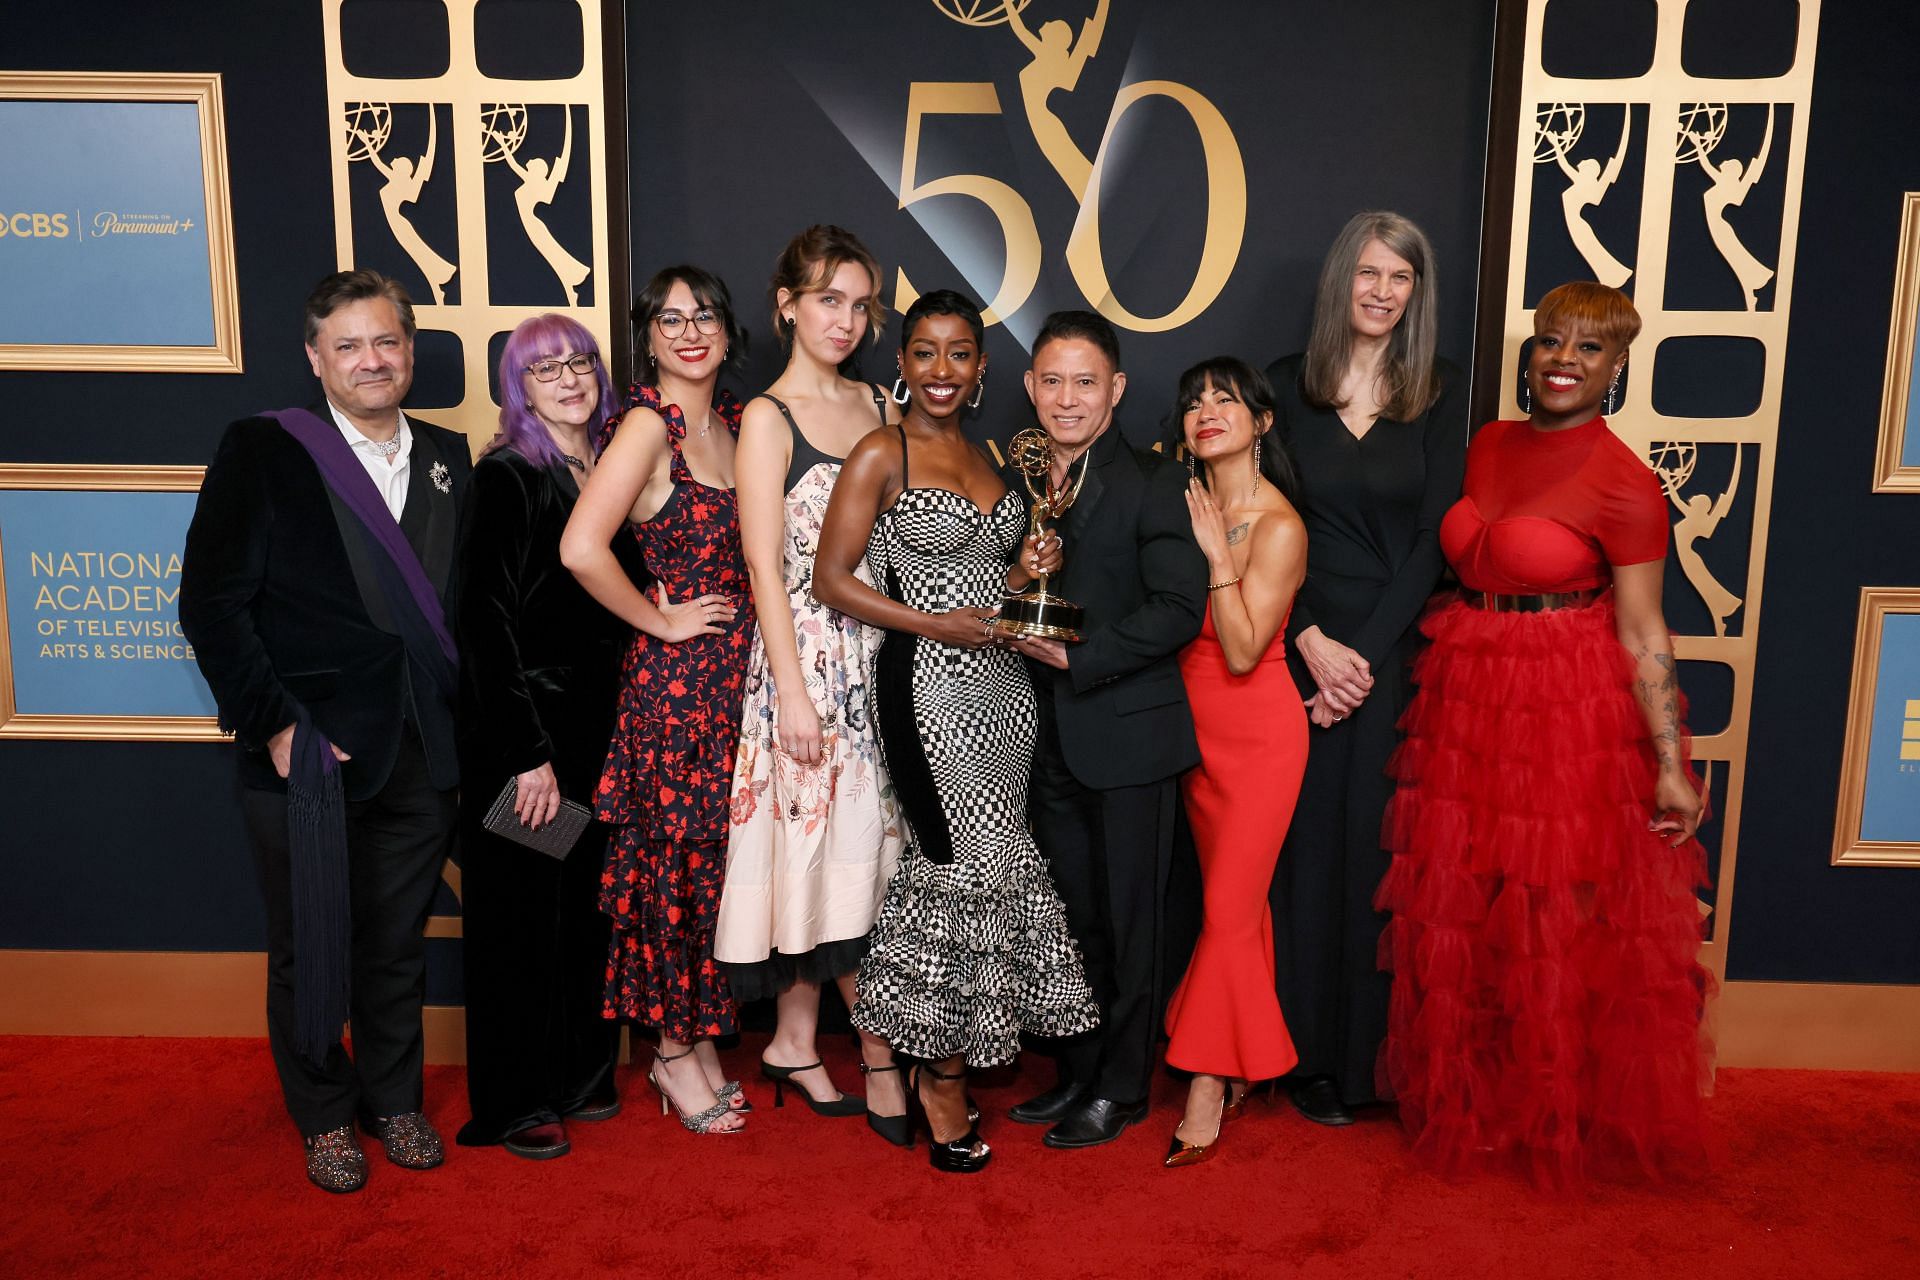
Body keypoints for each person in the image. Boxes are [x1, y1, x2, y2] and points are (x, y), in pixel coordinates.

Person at [1377, 281, 1712, 1188]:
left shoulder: (1627, 483)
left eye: (1589, 349)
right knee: (1467, 902)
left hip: (1564, 702)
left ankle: (1549, 1102)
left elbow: (1644, 631)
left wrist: (1671, 768)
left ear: (1618, 366)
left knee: (1548, 908)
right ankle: (1476, 1096)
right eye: (1551, 342)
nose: (1564, 360)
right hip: (1464, 691)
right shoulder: (1487, 443)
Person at [179, 268, 469, 1193]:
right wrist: (275, 729)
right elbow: (212, 606)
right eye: (348, 345)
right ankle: (322, 1115)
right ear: (315, 358)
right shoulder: (264, 451)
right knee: (311, 944)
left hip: (421, 752)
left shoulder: (452, 457)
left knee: (393, 942)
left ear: (410, 349)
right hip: (306, 752)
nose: (371, 360)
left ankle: (392, 1101)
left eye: (386, 341)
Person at [814, 289, 1099, 1174]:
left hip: (1006, 693)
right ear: (900, 363)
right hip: (926, 689)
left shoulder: (988, 457)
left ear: (982, 369)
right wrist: (931, 624)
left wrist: (1027, 562)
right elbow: (830, 579)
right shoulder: (880, 451)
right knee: (953, 870)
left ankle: (960, 1054)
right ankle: (937, 1076)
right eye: (925, 353)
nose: (942, 371)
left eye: (961, 354)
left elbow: (995, 579)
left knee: (996, 865)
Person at [1262, 211, 1466, 1127]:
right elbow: (1248, 526)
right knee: (1304, 851)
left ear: (1417, 293)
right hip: (1295, 649)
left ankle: (1374, 1063)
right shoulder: (1280, 391)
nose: (1383, 292)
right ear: (1341, 279)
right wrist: (1308, 639)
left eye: (1402, 278)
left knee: (1382, 852)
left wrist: (1365, 658)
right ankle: (1303, 1056)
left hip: (1397, 655)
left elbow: (1437, 540)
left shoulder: (1442, 391)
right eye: (1370, 274)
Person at [715, 226, 909, 1136]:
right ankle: (875, 1055)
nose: (845, 319)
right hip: (806, 663)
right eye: (828, 299)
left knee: (858, 858)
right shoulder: (766, 417)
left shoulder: (879, 400)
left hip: (884, 659)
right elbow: (762, 566)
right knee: (819, 855)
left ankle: (795, 1041)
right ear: (786, 303)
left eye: (860, 303)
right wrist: (792, 693)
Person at [1005, 311, 1210, 1150]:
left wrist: (1074, 660)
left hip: (1127, 735)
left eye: (1085, 382)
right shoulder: (1021, 481)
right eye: (1051, 380)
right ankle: (1080, 1070)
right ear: (1029, 387)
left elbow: (1179, 611)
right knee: (1072, 916)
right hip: (1042, 738)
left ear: (1117, 390)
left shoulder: (1155, 482)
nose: (1066, 398)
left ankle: (1123, 1086)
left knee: (1131, 923)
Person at [559, 266, 752, 1136]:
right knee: (674, 868)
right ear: (648, 335)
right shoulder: (648, 426)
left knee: (712, 872)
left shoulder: (737, 421)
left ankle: (698, 1036)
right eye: (670, 319)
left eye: (703, 315)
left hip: (737, 684)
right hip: (676, 695)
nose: (689, 332)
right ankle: (672, 1051)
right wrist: (661, 622)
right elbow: (581, 547)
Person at [452, 315, 633, 1161]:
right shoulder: (509, 479)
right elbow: (484, 627)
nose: (567, 379)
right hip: (528, 748)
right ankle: (515, 1103)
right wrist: (527, 756)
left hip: (596, 740)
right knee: (519, 924)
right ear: (516, 388)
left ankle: (575, 1077)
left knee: (578, 916)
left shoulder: (606, 470)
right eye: (544, 369)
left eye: (579, 363)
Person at [1159, 358, 1309, 1168]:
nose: (1206, 410)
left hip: (1259, 739)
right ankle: (1247, 1060)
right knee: (1238, 911)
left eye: (1225, 399)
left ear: (1263, 422)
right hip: (1194, 738)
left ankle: (1208, 1082)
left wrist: (1219, 555)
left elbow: (1247, 648)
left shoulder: (1278, 526)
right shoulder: (1183, 500)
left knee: (1225, 911)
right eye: (1194, 399)